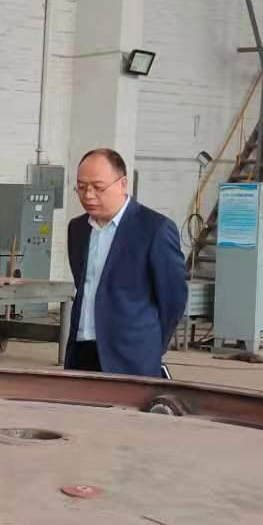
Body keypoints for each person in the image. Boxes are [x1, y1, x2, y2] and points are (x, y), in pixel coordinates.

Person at [65, 148, 187, 377]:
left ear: (122, 184)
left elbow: (174, 299)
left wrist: (150, 345)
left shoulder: (154, 229)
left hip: (131, 357)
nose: (88, 195)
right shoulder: (77, 229)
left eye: (98, 187)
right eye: (81, 187)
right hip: (81, 353)